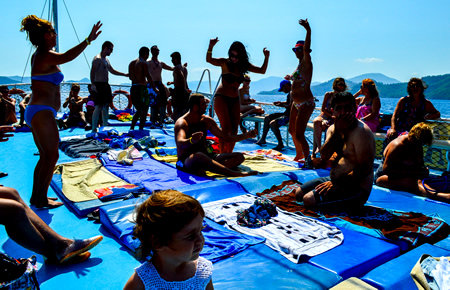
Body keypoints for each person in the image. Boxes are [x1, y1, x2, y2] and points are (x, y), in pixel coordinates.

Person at [21, 15, 101, 208]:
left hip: (39, 110)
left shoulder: (42, 55)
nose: (56, 35)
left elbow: (62, 58)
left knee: (46, 156)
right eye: (53, 32)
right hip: (41, 111)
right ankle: (39, 198)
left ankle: (38, 197)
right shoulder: (44, 55)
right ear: (46, 35)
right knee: (52, 156)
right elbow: (67, 57)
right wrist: (88, 40)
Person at [0, 125, 103, 264]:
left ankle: (60, 244)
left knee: (11, 193)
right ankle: (54, 253)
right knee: (13, 210)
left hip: (42, 110)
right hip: (42, 110)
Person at [294, 92, 375, 209]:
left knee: (308, 200)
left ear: (354, 109)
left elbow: (365, 169)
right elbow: (324, 156)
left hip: (358, 186)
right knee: (299, 193)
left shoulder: (361, 132)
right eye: (339, 108)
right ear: (333, 111)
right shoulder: (332, 129)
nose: (343, 112)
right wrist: (338, 131)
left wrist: (337, 184)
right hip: (337, 179)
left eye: (347, 108)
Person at [124, 190, 213, 290]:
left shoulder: (202, 272)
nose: (200, 240)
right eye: (190, 236)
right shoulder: (142, 282)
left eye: (201, 230)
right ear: (158, 242)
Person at [207, 38, 269, 153]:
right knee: (226, 129)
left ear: (241, 56)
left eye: (236, 56)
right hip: (222, 98)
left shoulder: (243, 66)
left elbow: (262, 70)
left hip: (235, 99)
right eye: (232, 55)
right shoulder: (224, 62)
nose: (234, 58)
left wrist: (266, 57)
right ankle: (221, 154)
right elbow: (209, 59)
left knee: (234, 130)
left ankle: (228, 153)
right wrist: (211, 46)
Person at [175, 93, 258, 177]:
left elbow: (225, 137)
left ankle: (210, 167)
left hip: (207, 156)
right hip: (186, 159)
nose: (206, 106)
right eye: (203, 104)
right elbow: (180, 142)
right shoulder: (182, 122)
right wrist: (191, 140)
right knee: (198, 156)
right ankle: (234, 173)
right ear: (195, 107)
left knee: (239, 157)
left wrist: (246, 135)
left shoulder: (206, 120)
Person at [375, 123, 448, 202]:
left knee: (421, 182)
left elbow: (420, 166)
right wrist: (413, 173)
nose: (421, 145)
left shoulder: (418, 145)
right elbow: (387, 170)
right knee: (412, 183)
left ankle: (436, 194)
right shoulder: (397, 145)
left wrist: (423, 171)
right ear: (414, 137)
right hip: (385, 177)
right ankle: (440, 197)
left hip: (408, 175)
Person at [286, 19, 315, 162]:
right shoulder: (298, 65)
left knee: (299, 134)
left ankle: (308, 159)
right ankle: (299, 154)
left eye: (298, 49)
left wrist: (308, 30)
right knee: (291, 130)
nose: (296, 52)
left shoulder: (306, 61)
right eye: (295, 50)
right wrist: (290, 77)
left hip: (305, 102)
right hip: (296, 102)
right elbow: (297, 79)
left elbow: (306, 48)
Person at [386, 78, 440, 144]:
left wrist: (430, 116)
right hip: (400, 129)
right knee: (392, 136)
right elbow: (394, 116)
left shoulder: (425, 103)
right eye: (413, 86)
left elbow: (437, 113)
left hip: (416, 131)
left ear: (421, 88)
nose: (415, 88)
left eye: (417, 86)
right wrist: (393, 128)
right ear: (409, 88)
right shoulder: (403, 101)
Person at [90, 41, 128, 132]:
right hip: (98, 84)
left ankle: (105, 126)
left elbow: (112, 70)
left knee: (106, 106)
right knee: (98, 107)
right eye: (110, 49)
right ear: (105, 48)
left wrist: (124, 74)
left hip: (105, 85)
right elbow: (92, 72)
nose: (111, 51)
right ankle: (94, 128)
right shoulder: (97, 59)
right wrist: (93, 84)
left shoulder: (106, 60)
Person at [312, 77, 347, 157]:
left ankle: (316, 151)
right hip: (325, 116)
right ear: (335, 85)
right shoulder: (328, 94)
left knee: (326, 128)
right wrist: (330, 116)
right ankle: (320, 149)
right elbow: (323, 108)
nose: (341, 86)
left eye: (343, 85)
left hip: (335, 119)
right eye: (340, 84)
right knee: (316, 121)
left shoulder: (343, 97)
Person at [256, 80, 292, 151]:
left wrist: (281, 105)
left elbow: (290, 106)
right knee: (267, 118)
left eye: (282, 89)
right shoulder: (290, 94)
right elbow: (288, 103)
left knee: (273, 123)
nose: (282, 91)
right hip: (286, 113)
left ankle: (280, 144)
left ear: (286, 86)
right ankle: (263, 139)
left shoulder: (293, 93)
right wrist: (281, 103)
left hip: (291, 116)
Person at [148, 45, 177, 124]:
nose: (156, 51)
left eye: (157, 50)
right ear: (151, 51)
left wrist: (180, 67)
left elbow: (171, 68)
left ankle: (161, 120)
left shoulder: (161, 63)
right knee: (153, 104)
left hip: (159, 83)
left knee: (163, 103)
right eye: (154, 50)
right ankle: (153, 121)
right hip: (151, 84)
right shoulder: (148, 62)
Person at [129, 47, 155, 130]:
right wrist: (154, 88)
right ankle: (141, 128)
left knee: (139, 109)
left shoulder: (131, 63)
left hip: (133, 87)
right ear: (146, 54)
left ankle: (132, 127)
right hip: (141, 88)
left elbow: (130, 77)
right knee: (144, 109)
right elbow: (148, 76)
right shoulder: (144, 63)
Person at [168, 51, 190, 122]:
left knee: (177, 113)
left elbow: (182, 79)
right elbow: (182, 80)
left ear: (176, 59)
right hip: (184, 91)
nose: (171, 61)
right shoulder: (184, 68)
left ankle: (178, 127)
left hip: (179, 92)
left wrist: (174, 91)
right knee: (184, 112)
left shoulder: (177, 69)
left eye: (172, 59)